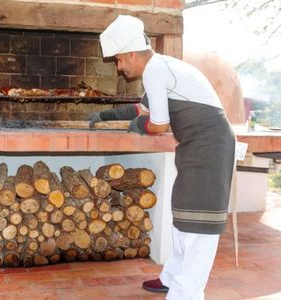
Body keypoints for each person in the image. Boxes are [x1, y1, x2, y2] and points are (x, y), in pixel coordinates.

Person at [89, 15, 235, 300]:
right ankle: (171, 278)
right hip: (198, 145)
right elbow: (142, 110)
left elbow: (157, 125)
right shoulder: (160, 67)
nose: (119, 67)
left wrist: (136, 126)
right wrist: (106, 116)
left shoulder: (155, 69)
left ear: (132, 53)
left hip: (210, 146)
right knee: (184, 214)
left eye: (119, 60)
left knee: (199, 227)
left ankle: (186, 293)